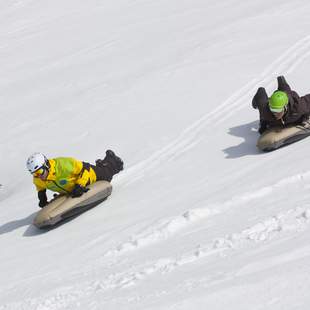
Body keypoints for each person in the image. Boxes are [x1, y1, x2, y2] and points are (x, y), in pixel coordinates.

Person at [26, 150, 124, 208]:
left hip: (87, 175)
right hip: (71, 189)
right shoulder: (38, 179)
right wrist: (42, 198)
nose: (38, 176)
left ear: (46, 165)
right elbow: (40, 187)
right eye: (34, 173)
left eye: (39, 172)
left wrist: (79, 185)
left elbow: (84, 168)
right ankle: (101, 164)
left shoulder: (63, 165)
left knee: (107, 176)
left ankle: (111, 159)